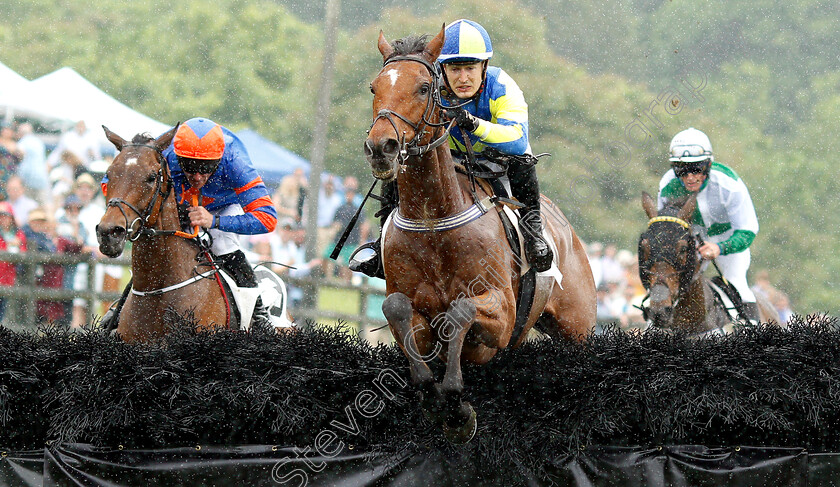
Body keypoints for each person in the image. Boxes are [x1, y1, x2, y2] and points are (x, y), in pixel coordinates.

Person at [350, 19, 553, 277]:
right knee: (403, 159)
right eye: (455, 69)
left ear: (484, 66)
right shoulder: (430, 84)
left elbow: (517, 140)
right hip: (450, 158)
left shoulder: (502, 85)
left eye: (470, 68)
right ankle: (383, 246)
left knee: (523, 159)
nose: (463, 78)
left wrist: (472, 123)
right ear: (442, 68)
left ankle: (533, 230)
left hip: (499, 159)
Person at [99, 117, 278, 329]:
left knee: (223, 244)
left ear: (219, 159)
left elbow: (267, 219)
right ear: (177, 155)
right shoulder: (162, 153)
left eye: (207, 167)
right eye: (190, 166)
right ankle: (119, 310)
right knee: (157, 253)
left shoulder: (235, 161)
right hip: (180, 205)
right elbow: (111, 183)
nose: (198, 175)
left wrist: (214, 220)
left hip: (223, 207)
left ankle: (258, 314)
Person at [657, 127, 761, 322]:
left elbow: (748, 230)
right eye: (682, 170)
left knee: (736, 282)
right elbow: (664, 229)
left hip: (728, 240)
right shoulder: (667, 186)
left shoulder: (729, 185)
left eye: (696, 169)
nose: (689, 177)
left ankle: (753, 335)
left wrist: (720, 247)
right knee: (666, 287)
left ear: (708, 166)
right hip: (691, 242)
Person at [0, 202, 26, 322]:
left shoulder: (18, 234)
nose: (3, 219)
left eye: (5, 215)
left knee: (5, 310)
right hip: (3, 275)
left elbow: (23, 254)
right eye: (1, 216)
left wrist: (17, 247)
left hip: (9, 278)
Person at [15, 122, 49, 203]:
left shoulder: (23, 141)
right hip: (42, 177)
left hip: (28, 179)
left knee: (28, 204)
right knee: (42, 204)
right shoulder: (38, 141)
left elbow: (20, 153)